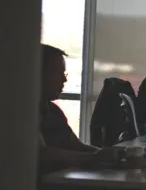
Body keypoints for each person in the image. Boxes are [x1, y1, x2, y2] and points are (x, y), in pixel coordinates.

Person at [38, 44, 119, 174]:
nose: (64, 79)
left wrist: (109, 155)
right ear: (38, 73)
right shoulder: (19, 114)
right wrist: (93, 158)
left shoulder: (53, 110)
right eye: (58, 73)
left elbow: (76, 146)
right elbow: (41, 154)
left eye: (64, 73)